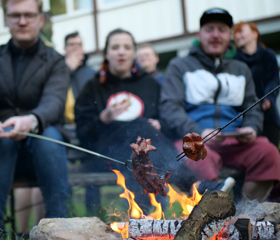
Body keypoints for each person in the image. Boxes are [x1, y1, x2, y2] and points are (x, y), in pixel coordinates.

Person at [75, 28, 235, 215]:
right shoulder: (93, 87)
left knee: (142, 149)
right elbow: (83, 133)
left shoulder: (149, 84)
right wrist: (103, 118)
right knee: (140, 132)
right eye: (115, 47)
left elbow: (167, 122)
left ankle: (142, 217)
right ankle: (194, 186)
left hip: (147, 154)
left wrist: (161, 125)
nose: (121, 52)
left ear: (134, 53)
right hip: (106, 155)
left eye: (126, 47)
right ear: (106, 54)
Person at [160, 7, 280, 203]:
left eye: (222, 30)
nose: (216, 35)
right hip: (196, 140)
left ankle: (245, 215)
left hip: (238, 141)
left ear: (230, 35)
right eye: (210, 29)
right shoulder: (179, 66)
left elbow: (252, 103)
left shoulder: (241, 69)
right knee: (194, 156)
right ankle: (213, 218)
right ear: (199, 34)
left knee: (268, 153)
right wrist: (197, 131)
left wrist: (252, 127)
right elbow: (170, 107)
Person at [0, 0, 69, 236]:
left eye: (29, 15)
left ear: (41, 18)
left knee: (48, 136)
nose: (22, 21)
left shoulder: (56, 61)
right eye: (15, 15)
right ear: (6, 19)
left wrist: (31, 120)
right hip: (3, 151)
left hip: (44, 152)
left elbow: (55, 101)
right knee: (5, 140)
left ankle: (59, 228)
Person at [233, 21, 280, 147]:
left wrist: (269, 99)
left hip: (268, 119)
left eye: (241, 31)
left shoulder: (268, 55)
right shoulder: (234, 62)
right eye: (235, 33)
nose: (237, 36)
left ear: (254, 34)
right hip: (245, 122)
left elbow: (274, 80)